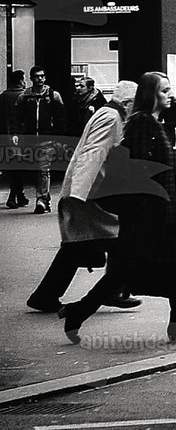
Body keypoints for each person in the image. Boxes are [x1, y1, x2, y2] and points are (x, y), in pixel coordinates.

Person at [61, 72, 176, 345]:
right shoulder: (142, 123)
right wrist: (150, 212)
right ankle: (78, 311)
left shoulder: (154, 122)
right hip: (150, 213)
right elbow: (136, 169)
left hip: (164, 210)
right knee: (125, 270)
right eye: (165, 91)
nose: (171, 95)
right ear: (150, 95)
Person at [26, 81, 142, 315]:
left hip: (88, 191)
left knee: (78, 245)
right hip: (89, 193)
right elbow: (93, 153)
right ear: (128, 103)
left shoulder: (108, 114)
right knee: (119, 237)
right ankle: (110, 290)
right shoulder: (111, 118)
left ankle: (45, 296)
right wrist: (79, 193)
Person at [18, 66, 67, 213]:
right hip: (30, 138)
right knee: (35, 169)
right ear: (32, 78)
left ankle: (41, 199)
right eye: (37, 76)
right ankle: (45, 199)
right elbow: (18, 118)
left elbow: (61, 118)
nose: (40, 79)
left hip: (47, 138)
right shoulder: (24, 97)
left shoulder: (53, 95)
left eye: (42, 76)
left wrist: (58, 138)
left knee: (42, 169)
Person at [1, 70, 30, 209]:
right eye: (24, 79)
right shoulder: (24, 96)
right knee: (19, 167)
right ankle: (13, 196)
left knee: (14, 166)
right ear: (20, 81)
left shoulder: (3, 96)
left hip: (5, 135)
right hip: (20, 136)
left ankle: (20, 195)